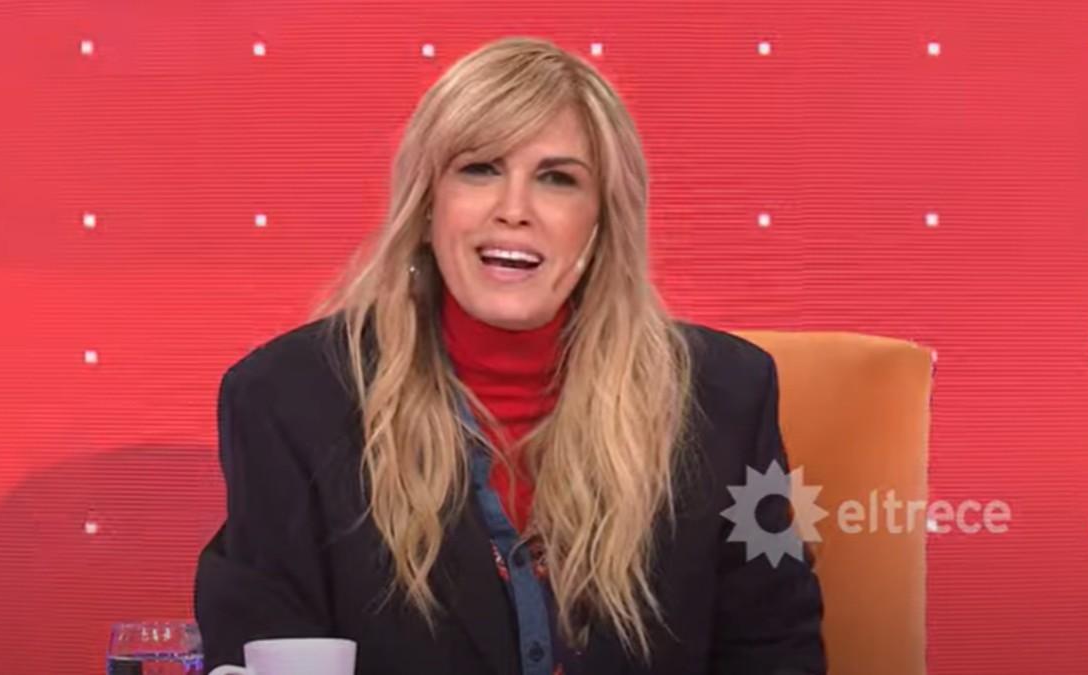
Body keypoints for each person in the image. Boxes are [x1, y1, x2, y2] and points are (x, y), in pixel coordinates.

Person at [193, 36, 826, 675]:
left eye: (557, 179)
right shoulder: (287, 400)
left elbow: (777, 653)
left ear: (602, 222)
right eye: (480, 169)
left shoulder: (726, 399)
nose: (514, 210)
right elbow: (262, 639)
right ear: (427, 205)